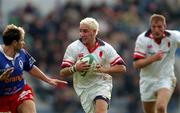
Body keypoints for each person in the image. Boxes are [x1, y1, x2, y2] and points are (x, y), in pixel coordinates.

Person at [60, 17, 126, 113]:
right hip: (83, 88)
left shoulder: (106, 48)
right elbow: (62, 72)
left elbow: (122, 68)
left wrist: (104, 70)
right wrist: (75, 68)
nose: (82, 34)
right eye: (81, 31)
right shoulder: (73, 47)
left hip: (101, 83)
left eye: (85, 31)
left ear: (94, 32)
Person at [0, 24, 67, 113]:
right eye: (21, 40)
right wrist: (1, 79)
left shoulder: (22, 53)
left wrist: (48, 80)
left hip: (20, 92)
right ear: (14, 43)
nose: (23, 43)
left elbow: (31, 68)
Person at [133, 14, 178, 113]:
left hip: (166, 78)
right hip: (147, 80)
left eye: (159, 27)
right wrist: (153, 58)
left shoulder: (174, 37)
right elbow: (136, 64)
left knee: (161, 107)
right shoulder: (142, 39)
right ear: (150, 26)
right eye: (154, 27)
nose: (156, 30)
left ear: (165, 27)